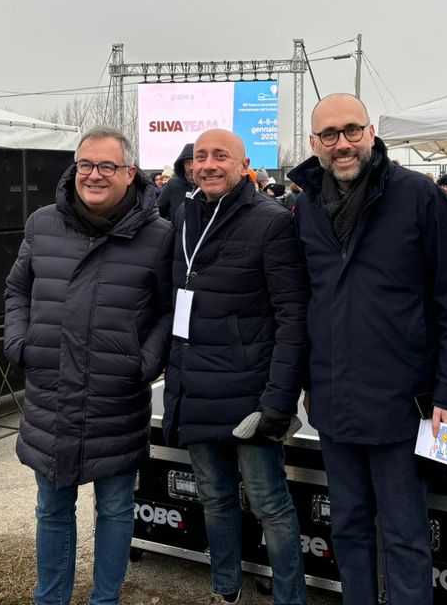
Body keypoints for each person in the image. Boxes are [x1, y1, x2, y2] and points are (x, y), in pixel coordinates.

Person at [288, 93, 447, 605]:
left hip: (405, 405)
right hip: (335, 401)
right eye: (329, 135)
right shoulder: (305, 206)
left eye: (352, 130)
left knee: (405, 535)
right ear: (314, 144)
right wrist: (309, 382)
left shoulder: (418, 196)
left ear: (370, 133)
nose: (342, 144)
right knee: (347, 527)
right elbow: (308, 301)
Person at [4, 126, 173, 605]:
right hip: (51, 392)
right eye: (85, 165)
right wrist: (19, 342)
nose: (93, 175)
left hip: (115, 395)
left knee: (116, 507)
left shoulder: (159, 236)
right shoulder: (42, 224)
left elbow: (168, 311)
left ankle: (105, 599)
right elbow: (17, 288)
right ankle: (50, 599)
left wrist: (145, 361)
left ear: (130, 173)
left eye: (106, 166)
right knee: (52, 507)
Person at [162, 129, 308, 605]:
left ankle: (290, 598)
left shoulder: (271, 221)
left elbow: (292, 318)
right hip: (197, 387)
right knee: (215, 499)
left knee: (270, 505)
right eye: (200, 156)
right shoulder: (184, 215)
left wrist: (277, 402)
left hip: (249, 394)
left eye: (220, 156)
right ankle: (226, 591)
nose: (208, 164)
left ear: (244, 165)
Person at [156, 142, 195, 219]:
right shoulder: (173, 185)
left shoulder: (208, 186)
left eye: (194, 162)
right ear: (182, 164)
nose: (191, 167)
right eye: (187, 163)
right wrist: (170, 225)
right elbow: (157, 212)